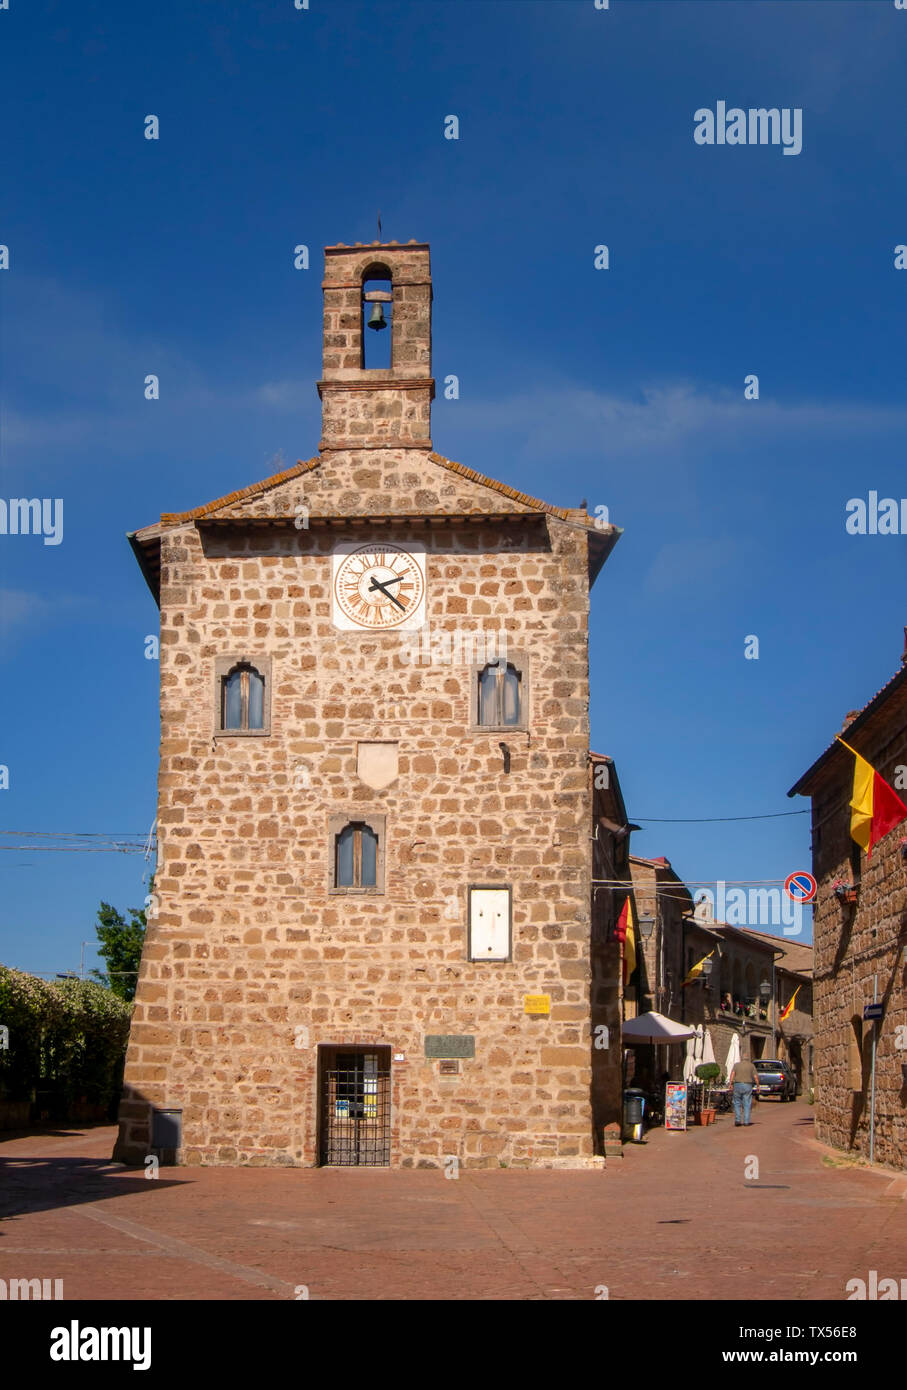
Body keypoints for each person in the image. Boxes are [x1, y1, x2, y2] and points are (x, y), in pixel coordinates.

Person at [728, 1056, 759, 1125]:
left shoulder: (736, 1065)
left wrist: (730, 1084)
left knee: (737, 1102)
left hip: (737, 1085)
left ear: (741, 1059)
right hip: (747, 1085)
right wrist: (758, 1086)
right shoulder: (751, 1066)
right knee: (747, 1103)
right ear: (748, 1059)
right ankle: (746, 1121)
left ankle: (738, 1120)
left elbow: (732, 1074)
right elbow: (755, 1077)